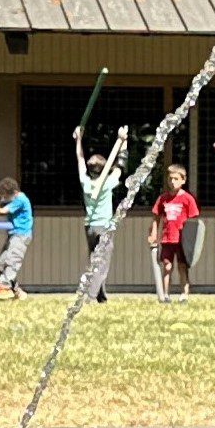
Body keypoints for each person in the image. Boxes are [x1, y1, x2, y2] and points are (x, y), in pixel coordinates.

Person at [75, 124, 125, 302]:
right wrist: (123, 143)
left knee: (94, 260)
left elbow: (80, 160)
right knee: (102, 262)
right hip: (104, 226)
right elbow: (120, 166)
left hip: (89, 227)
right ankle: (90, 295)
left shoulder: (85, 182)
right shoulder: (107, 183)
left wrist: (78, 140)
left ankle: (101, 295)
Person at [150, 164, 199, 301]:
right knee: (167, 266)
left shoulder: (188, 199)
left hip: (182, 240)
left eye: (176, 179)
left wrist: (191, 241)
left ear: (183, 180)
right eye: (170, 178)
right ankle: (166, 294)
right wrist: (154, 234)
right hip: (167, 239)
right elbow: (156, 218)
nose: (172, 182)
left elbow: (194, 221)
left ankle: (184, 294)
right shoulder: (163, 198)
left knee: (182, 266)